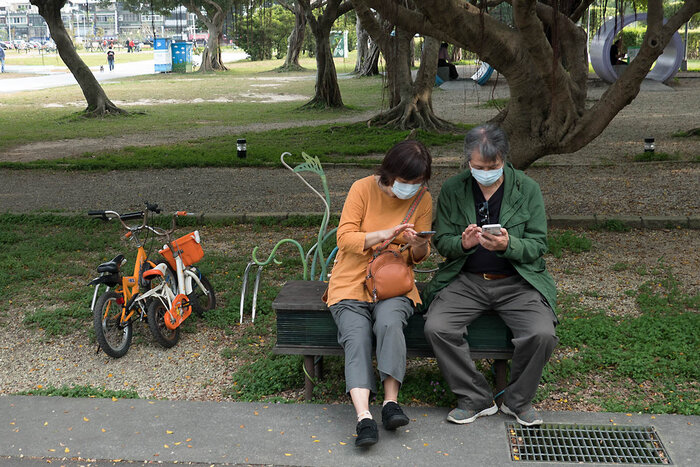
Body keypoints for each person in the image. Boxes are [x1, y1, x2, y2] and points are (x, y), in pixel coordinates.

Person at [421, 124, 558, 427]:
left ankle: (517, 400)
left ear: (504, 159)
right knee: (437, 327)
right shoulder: (454, 189)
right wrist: (463, 243)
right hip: (466, 280)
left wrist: (509, 244)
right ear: (467, 162)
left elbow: (538, 245)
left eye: (492, 166)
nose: (485, 172)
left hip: (517, 281)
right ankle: (476, 397)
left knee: (542, 333)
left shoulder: (526, 188)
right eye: (478, 167)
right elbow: (442, 241)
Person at [325, 140, 433, 447]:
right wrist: (387, 233)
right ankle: (364, 418)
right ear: (390, 172)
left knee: (389, 323)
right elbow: (345, 238)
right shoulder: (362, 188)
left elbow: (420, 254)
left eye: (418, 182)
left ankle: (390, 403)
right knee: (356, 334)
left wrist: (417, 243)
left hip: (393, 282)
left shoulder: (422, 199)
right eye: (407, 181)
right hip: (351, 281)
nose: (412, 188)